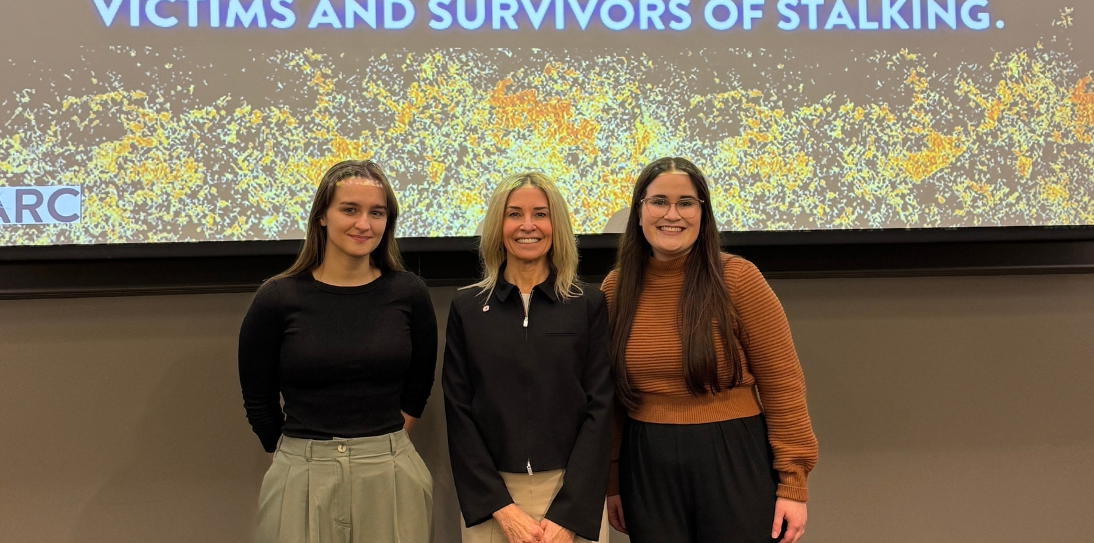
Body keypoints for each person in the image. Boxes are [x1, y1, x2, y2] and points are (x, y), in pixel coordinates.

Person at [603, 157, 817, 543]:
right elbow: (610, 396)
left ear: (703, 213)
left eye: (686, 202)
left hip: (733, 454)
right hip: (646, 462)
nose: (673, 214)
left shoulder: (738, 278)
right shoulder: (615, 289)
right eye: (659, 202)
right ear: (638, 213)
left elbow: (783, 384)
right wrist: (613, 479)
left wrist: (792, 483)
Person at [238, 159, 438, 543]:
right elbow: (258, 401)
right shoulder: (277, 299)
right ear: (322, 217)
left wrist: (378, 449)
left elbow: (418, 386)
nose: (364, 224)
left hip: (390, 470)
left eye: (376, 213)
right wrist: (301, 460)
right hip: (301, 472)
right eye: (350, 209)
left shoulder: (409, 293)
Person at [444, 172, 613, 543]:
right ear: (497, 226)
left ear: (556, 225)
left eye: (540, 213)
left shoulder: (587, 304)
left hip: (570, 496)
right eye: (514, 214)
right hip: (494, 501)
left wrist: (569, 514)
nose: (527, 226)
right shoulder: (468, 307)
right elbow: (459, 412)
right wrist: (501, 508)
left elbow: (601, 409)